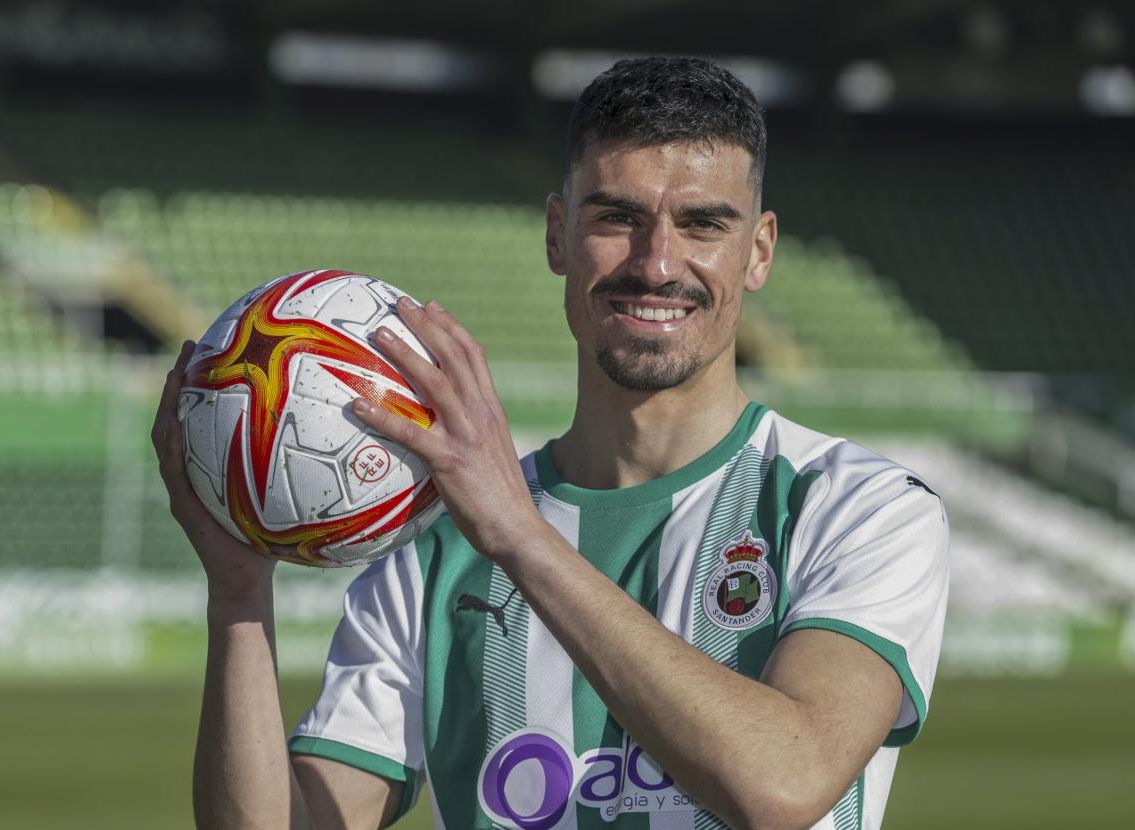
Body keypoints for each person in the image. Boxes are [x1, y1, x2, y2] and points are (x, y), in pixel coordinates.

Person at [152, 56, 949, 830]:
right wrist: (239, 600)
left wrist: (520, 538)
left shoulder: (859, 507)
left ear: (760, 252)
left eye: (704, 223)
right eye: (617, 218)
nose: (658, 264)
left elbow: (784, 784)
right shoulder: (433, 550)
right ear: (558, 235)